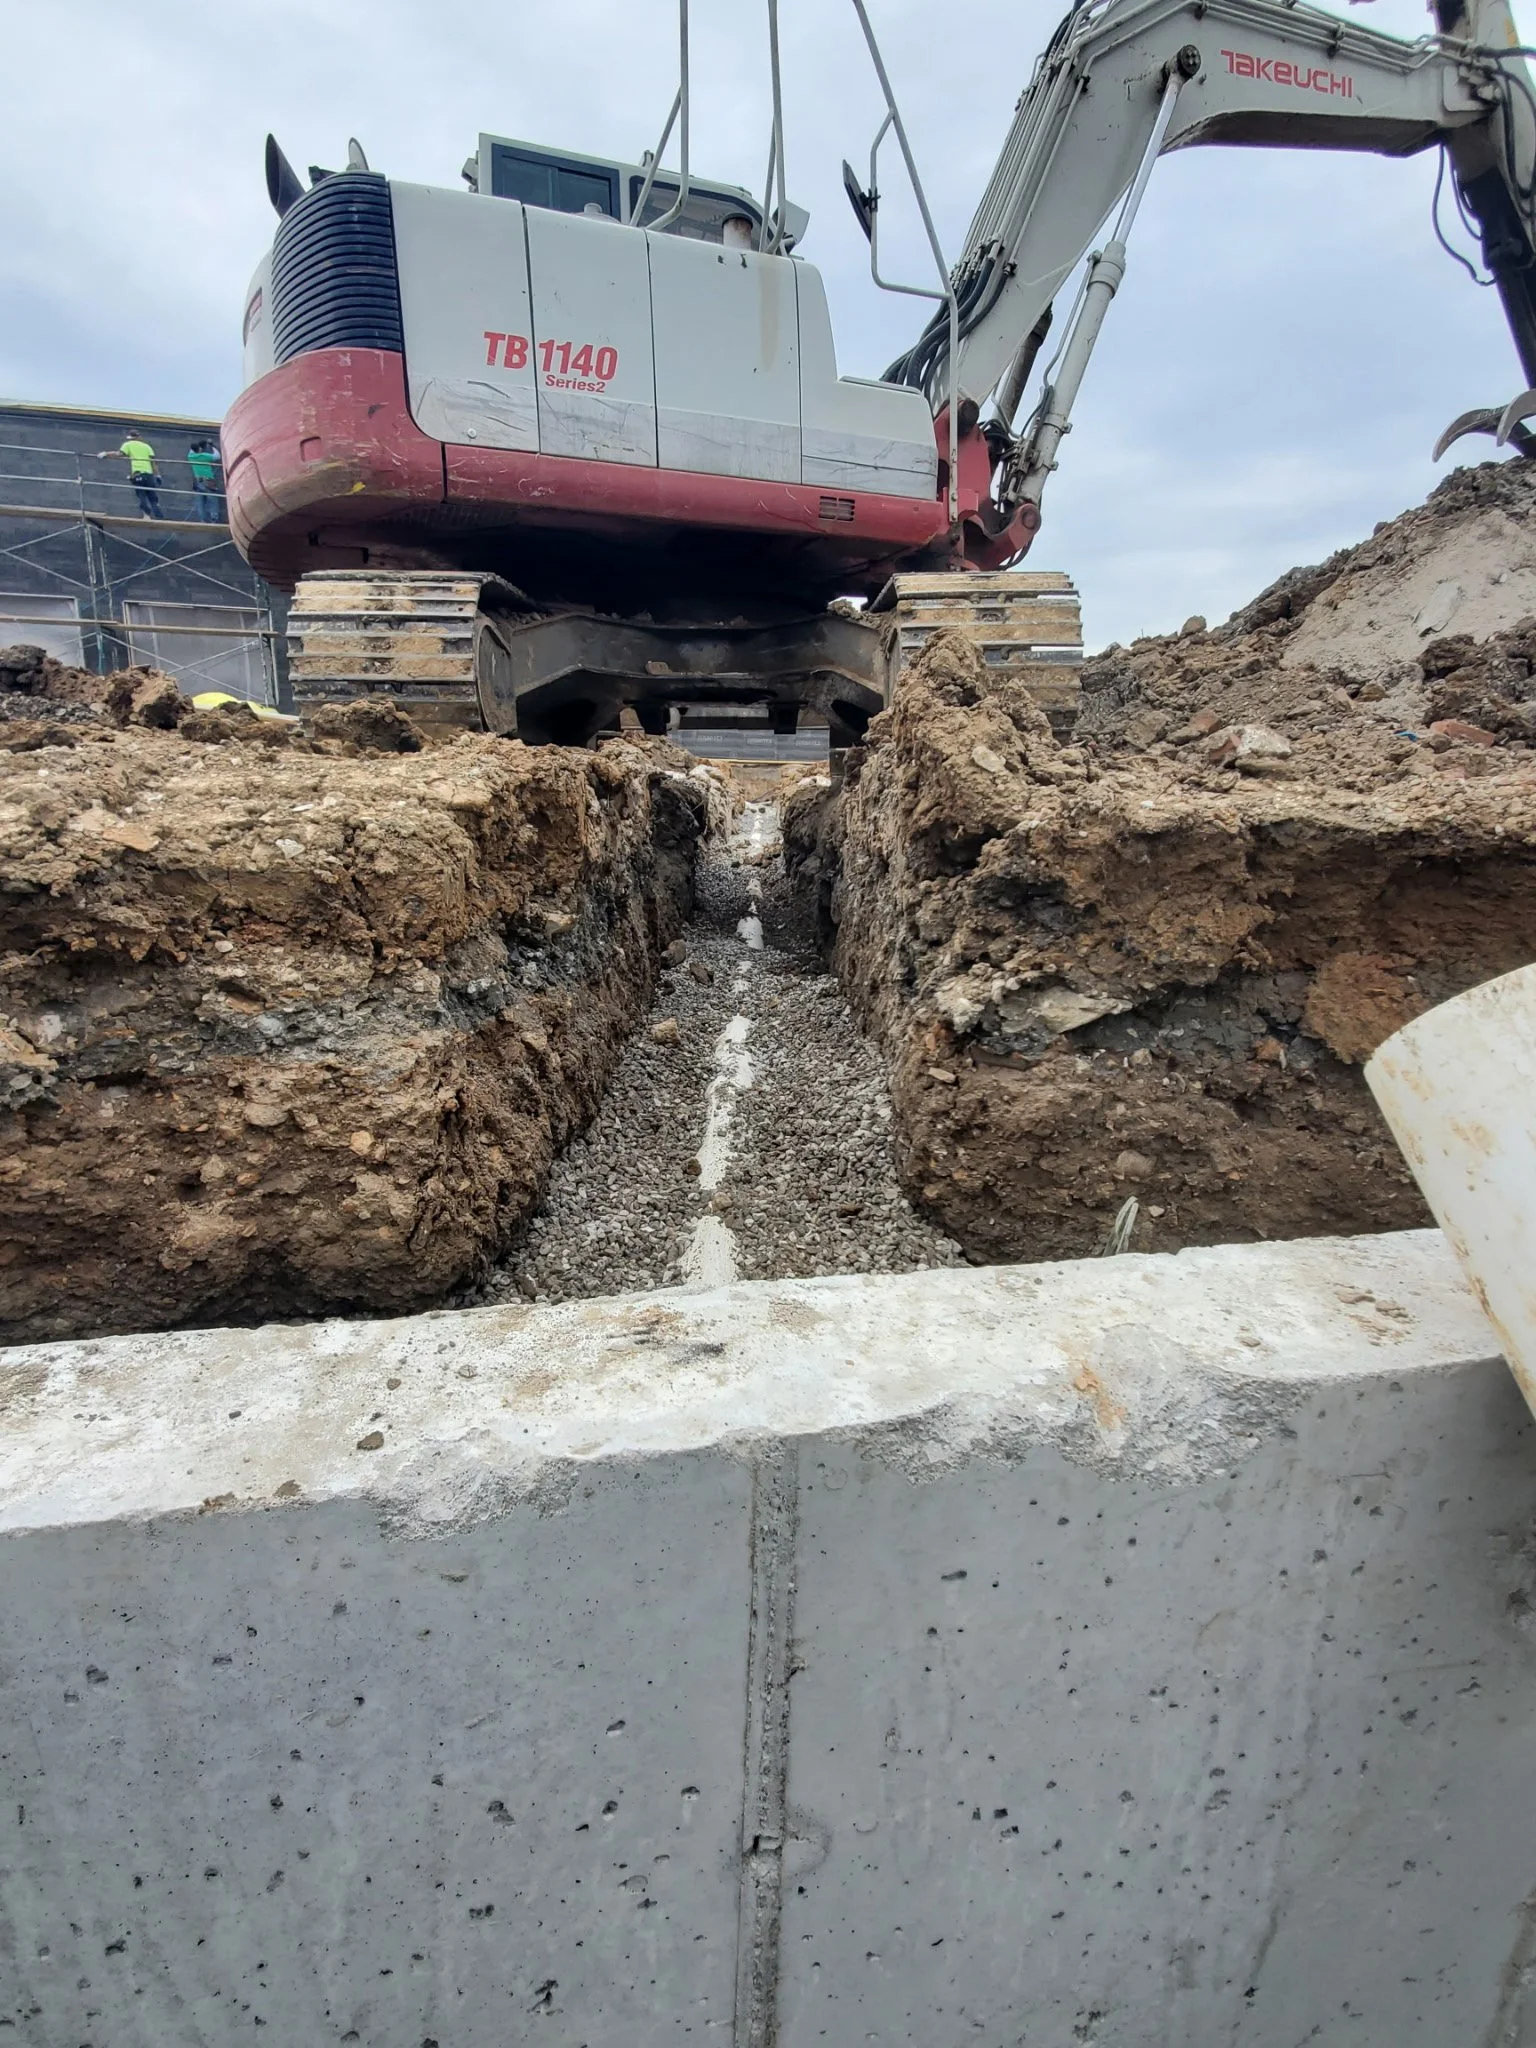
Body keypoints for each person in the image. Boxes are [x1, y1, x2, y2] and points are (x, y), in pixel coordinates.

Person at [97, 432, 163, 518]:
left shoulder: (128, 444)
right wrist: (158, 475)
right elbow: (153, 463)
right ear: (139, 437)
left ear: (130, 438)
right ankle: (159, 516)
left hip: (138, 474)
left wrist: (105, 454)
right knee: (152, 497)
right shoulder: (147, 447)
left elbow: (119, 454)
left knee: (141, 495)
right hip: (149, 475)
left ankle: (146, 515)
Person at [187, 438, 224, 522]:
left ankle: (202, 520)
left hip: (197, 481)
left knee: (200, 502)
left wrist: (198, 446)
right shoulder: (204, 456)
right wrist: (212, 446)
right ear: (200, 449)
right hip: (208, 481)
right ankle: (214, 519)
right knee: (213, 500)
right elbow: (217, 456)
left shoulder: (190, 456)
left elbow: (192, 450)